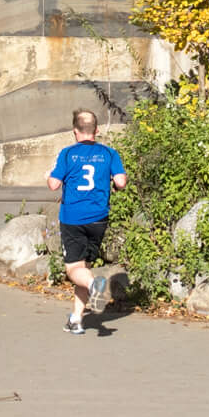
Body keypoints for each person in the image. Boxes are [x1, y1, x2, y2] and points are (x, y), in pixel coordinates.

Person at [46, 107, 126, 334]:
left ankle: (94, 286)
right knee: (85, 268)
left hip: (73, 218)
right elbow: (120, 182)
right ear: (96, 130)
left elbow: (53, 184)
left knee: (73, 270)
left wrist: (49, 175)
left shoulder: (68, 153)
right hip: (98, 218)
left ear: (75, 131)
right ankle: (76, 319)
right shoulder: (110, 153)